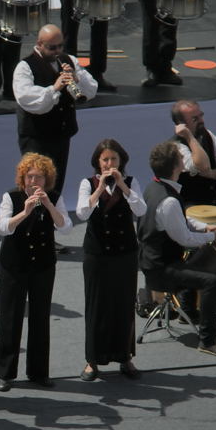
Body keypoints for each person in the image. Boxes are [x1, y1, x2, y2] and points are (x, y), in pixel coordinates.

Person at [138, 141, 216, 357]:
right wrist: (214, 236)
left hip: (151, 260)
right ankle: (208, 341)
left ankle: (188, 312)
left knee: (197, 257)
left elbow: (182, 221)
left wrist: (207, 226)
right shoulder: (169, 201)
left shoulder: (153, 187)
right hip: (161, 269)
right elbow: (185, 238)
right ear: (177, 167)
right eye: (181, 158)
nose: (184, 160)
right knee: (213, 281)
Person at [0, 153, 73, 391]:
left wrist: (48, 204)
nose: (34, 181)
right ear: (23, 178)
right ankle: (5, 374)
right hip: (14, 266)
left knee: (40, 317)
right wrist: (24, 212)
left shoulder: (54, 199)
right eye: (30, 176)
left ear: (46, 179)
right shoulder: (12, 197)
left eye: (39, 177)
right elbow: (1, 228)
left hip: (42, 265)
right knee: (11, 317)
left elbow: (66, 228)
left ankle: (38, 372)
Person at [76, 139, 147, 382]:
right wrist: (99, 189)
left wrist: (122, 187)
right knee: (96, 305)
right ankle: (92, 360)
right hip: (97, 254)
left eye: (113, 159)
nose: (109, 163)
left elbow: (141, 210)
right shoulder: (87, 184)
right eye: (105, 159)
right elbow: (82, 212)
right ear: (98, 161)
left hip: (124, 252)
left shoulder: (129, 182)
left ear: (121, 161)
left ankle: (125, 357)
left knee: (123, 304)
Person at [14, 24, 98, 199]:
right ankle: (32, 219)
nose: (57, 51)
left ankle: (50, 221)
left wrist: (77, 78)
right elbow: (27, 100)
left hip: (60, 135)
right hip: (36, 139)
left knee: (55, 185)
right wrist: (54, 88)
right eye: (52, 47)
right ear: (39, 44)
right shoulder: (25, 67)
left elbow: (91, 90)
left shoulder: (69, 60)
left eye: (60, 46)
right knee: (35, 185)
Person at [170, 99, 216, 206]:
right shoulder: (177, 146)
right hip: (191, 205)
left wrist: (211, 174)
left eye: (201, 116)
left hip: (212, 199)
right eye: (195, 119)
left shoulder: (208, 135)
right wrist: (189, 137)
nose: (201, 121)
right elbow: (203, 167)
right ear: (181, 124)